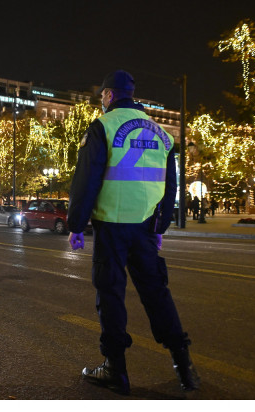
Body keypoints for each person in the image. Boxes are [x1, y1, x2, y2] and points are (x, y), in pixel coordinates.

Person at [67, 70, 199, 395]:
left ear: (109, 96)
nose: (101, 102)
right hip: (144, 228)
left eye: (102, 98)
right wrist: (160, 226)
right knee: (157, 294)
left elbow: (87, 181)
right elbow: (171, 188)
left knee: (111, 295)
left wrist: (76, 226)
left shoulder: (103, 127)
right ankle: (185, 368)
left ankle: (116, 369)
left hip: (111, 227)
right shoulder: (162, 135)